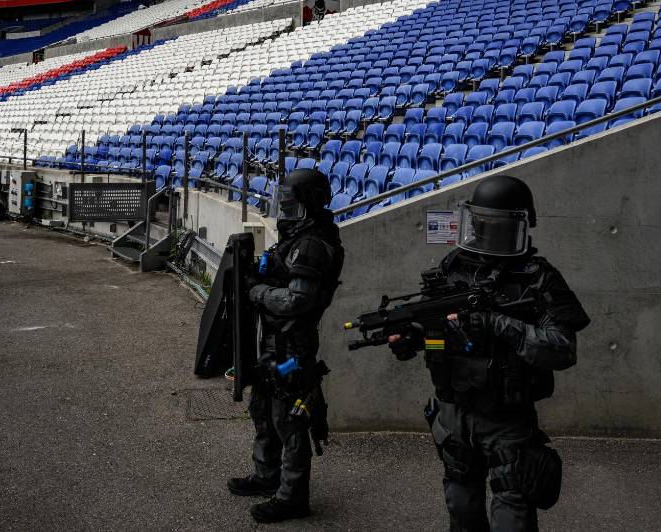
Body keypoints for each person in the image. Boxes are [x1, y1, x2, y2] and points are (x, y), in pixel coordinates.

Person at [387, 175, 590, 532]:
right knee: (461, 509)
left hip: (505, 417)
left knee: (511, 512)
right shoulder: (453, 266)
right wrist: (414, 340)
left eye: (498, 227)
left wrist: (499, 325)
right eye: (481, 225)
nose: (485, 234)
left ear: (520, 226)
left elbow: (562, 349)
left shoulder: (538, 278)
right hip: (453, 410)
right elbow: (437, 332)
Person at [227, 169, 345, 524]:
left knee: (288, 420)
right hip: (272, 339)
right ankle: (267, 476)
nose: (284, 212)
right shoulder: (296, 236)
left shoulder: (312, 244)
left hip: (293, 344)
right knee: (262, 408)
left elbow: (297, 301)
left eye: (291, 205)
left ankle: (292, 497)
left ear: (310, 204)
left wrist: (256, 292)